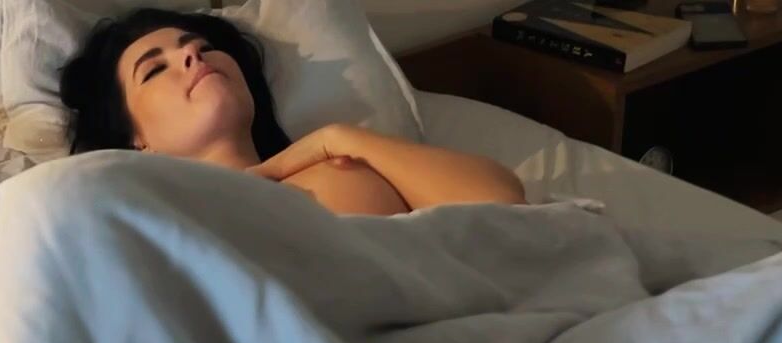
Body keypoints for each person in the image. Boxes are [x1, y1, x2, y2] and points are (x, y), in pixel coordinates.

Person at [59, 8, 527, 216]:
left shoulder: (344, 162)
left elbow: (501, 205)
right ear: (136, 139)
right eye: (154, 69)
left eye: (201, 47)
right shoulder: (159, 221)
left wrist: (336, 138)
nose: (191, 56)